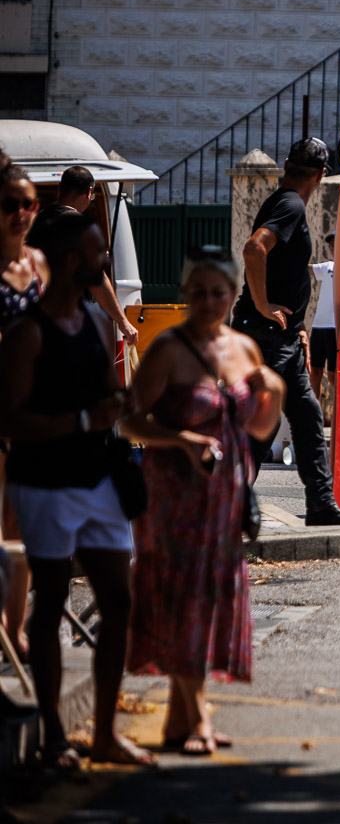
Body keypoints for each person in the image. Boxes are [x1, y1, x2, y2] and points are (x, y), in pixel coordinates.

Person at [0, 212, 150, 768]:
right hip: (44, 483)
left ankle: (104, 732)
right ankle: (54, 737)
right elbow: (11, 419)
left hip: (97, 479)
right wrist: (84, 419)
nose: (105, 259)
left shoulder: (93, 320)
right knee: (51, 601)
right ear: (70, 262)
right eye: (96, 252)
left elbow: (106, 396)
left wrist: (126, 405)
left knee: (119, 600)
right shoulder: (28, 333)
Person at [122, 247, 284, 756]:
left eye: (218, 292)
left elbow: (258, 429)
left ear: (234, 295)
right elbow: (128, 421)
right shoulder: (168, 350)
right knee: (183, 597)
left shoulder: (244, 349)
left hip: (223, 498)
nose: (209, 301)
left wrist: (275, 392)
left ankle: (179, 719)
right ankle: (199, 719)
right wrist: (182, 440)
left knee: (207, 599)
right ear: (185, 293)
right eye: (199, 292)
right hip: (173, 497)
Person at [232, 139, 340, 526]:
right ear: (321, 175)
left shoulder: (282, 201)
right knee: (265, 423)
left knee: (305, 415)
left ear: (286, 165)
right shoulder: (291, 205)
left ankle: (319, 504)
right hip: (265, 335)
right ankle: (228, 504)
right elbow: (254, 250)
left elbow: (283, 271)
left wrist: (298, 325)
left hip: (280, 336)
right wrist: (263, 305)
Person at [0, 151, 46, 670]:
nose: (20, 214)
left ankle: (15, 629)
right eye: (10, 204)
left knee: (22, 523)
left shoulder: (38, 266)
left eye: (29, 204)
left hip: (32, 412)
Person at [27, 165, 138, 348]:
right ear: (89, 192)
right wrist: (123, 321)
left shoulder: (37, 221)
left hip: (40, 320)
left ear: (60, 188)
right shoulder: (78, 226)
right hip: (71, 324)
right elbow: (97, 280)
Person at [308, 233, 337, 403]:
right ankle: (314, 413)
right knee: (315, 372)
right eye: (331, 245)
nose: (333, 248)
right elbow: (307, 269)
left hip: (336, 328)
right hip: (318, 327)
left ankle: (339, 413)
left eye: (336, 244)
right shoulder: (328, 267)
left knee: (333, 375)